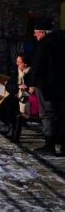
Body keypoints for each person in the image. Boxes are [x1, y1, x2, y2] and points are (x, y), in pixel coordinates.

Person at [31, 17, 65, 156]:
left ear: (43, 32)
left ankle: (49, 145)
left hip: (46, 86)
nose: (35, 35)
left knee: (47, 114)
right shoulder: (62, 41)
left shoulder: (44, 44)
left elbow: (37, 66)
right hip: (62, 86)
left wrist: (30, 83)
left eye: (36, 32)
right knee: (63, 116)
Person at [0, 53, 35, 135]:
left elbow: (32, 89)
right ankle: (11, 126)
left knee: (10, 105)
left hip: (28, 99)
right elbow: (8, 86)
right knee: (2, 107)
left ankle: (13, 128)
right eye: (17, 61)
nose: (17, 63)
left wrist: (26, 87)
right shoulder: (16, 71)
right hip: (16, 95)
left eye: (19, 62)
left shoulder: (32, 73)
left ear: (25, 64)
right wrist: (18, 87)